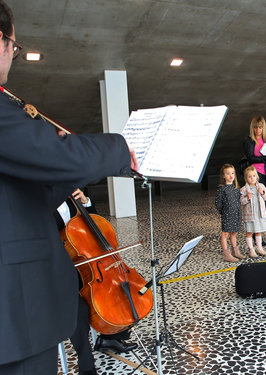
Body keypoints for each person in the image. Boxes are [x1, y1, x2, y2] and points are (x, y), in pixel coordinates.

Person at [0, 2, 137, 374]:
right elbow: (54, 153)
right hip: (14, 316)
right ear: (0, 40)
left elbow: (17, 193)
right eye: (15, 45)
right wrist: (119, 148)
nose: (14, 53)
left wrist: (62, 177)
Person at [55, 189, 137, 375]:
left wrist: (85, 203)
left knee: (117, 290)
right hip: (57, 270)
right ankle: (86, 366)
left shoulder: (69, 198)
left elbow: (96, 225)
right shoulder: (39, 204)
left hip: (83, 264)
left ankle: (111, 336)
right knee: (79, 310)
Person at [215, 164, 244, 262]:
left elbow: (239, 200)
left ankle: (235, 251)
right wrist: (224, 212)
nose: (231, 176)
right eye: (228, 174)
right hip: (227, 214)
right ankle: (226, 254)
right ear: (223, 176)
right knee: (225, 234)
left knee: (234, 233)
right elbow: (218, 203)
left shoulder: (236, 188)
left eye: (232, 173)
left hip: (236, 213)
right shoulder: (222, 189)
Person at [240, 166, 266, 258]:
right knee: (249, 232)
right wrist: (247, 198)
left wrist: (262, 193)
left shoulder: (261, 186)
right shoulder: (244, 189)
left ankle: (259, 248)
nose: (252, 178)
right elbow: (241, 201)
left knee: (259, 231)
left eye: (253, 176)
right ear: (246, 178)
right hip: (250, 215)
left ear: (256, 176)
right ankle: (251, 250)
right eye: (249, 176)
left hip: (259, 214)